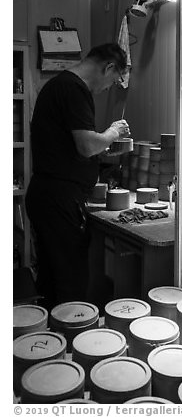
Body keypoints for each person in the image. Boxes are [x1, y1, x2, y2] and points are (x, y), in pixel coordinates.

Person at [25, 43, 130, 311]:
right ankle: (69, 344)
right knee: (70, 282)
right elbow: (86, 146)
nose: (109, 88)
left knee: (52, 278)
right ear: (108, 68)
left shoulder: (59, 85)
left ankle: (50, 343)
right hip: (59, 199)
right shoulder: (73, 88)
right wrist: (112, 133)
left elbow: (72, 145)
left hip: (48, 196)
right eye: (114, 80)